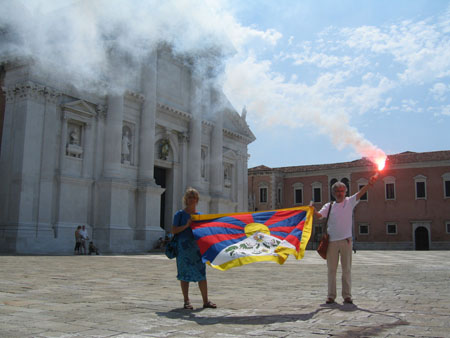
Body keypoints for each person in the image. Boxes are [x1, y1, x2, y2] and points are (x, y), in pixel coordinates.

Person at [314, 175, 378, 305]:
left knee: (346, 269)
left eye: (342, 191)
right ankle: (331, 296)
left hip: (346, 241)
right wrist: (312, 211)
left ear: (345, 192)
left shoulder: (350, 202)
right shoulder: (329, 206)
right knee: (331, 270)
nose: (340, 193)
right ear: (333, 193)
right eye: (337, 191)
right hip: (331, 241)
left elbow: (361, 193)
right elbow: (320, 216)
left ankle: (347, 296)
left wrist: (369, 184)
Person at [172, 187, 216, 310]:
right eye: (189, 197)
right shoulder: (180, 215)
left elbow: (206, 232)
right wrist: (186, 225)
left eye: (194, 197)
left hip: (197, 249)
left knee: (202, 274)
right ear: (186, 199)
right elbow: (174, 230)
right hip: (184, 249)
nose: (192, 199)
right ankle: (186, 301)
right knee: (184, 274)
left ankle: (206, 301)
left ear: (197, 200)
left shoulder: (200, 216)